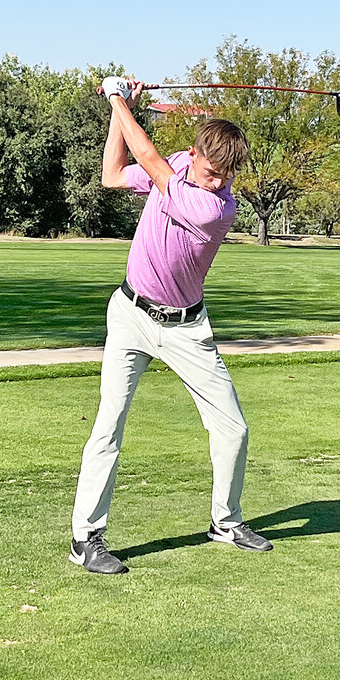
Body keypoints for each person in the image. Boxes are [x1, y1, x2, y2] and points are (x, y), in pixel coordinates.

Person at [70, 76, 273, 574]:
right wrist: (122, 110)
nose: (218, 182)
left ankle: (226, 522)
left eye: (227, 175)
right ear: (194, 153)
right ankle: (85, 539)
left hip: (187, 329)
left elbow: (153, 164)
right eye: (212, 171)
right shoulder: (179, 166)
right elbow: (114, 173)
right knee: (108, 428)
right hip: (131, 315)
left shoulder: (216, 208)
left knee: (233, 429)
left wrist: (116, 97)